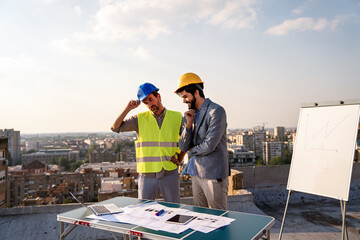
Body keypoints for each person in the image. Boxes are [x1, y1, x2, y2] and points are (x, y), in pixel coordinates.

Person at [111, 83, 185, 203]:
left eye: (151, 99)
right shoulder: (139, 119)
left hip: (170, 173)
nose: (150, 104)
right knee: (144, 211)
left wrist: (181, 156)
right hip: (147, 175)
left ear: (159, 96)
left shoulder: (177, 117)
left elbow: (187, 139)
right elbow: (115, 128)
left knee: (174, 211)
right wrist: (128, 109)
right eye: (146, 102)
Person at [174, 73, 229, 210]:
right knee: (201, 216)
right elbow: (182, 146)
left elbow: (209, 145)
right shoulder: (189, 116)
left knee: (218, 218)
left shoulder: (216, 111)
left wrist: (191, 151)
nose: (184, 101)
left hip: (213, 175)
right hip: (196, 173)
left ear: (196, 92)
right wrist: (188, 124)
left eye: (185, 96)